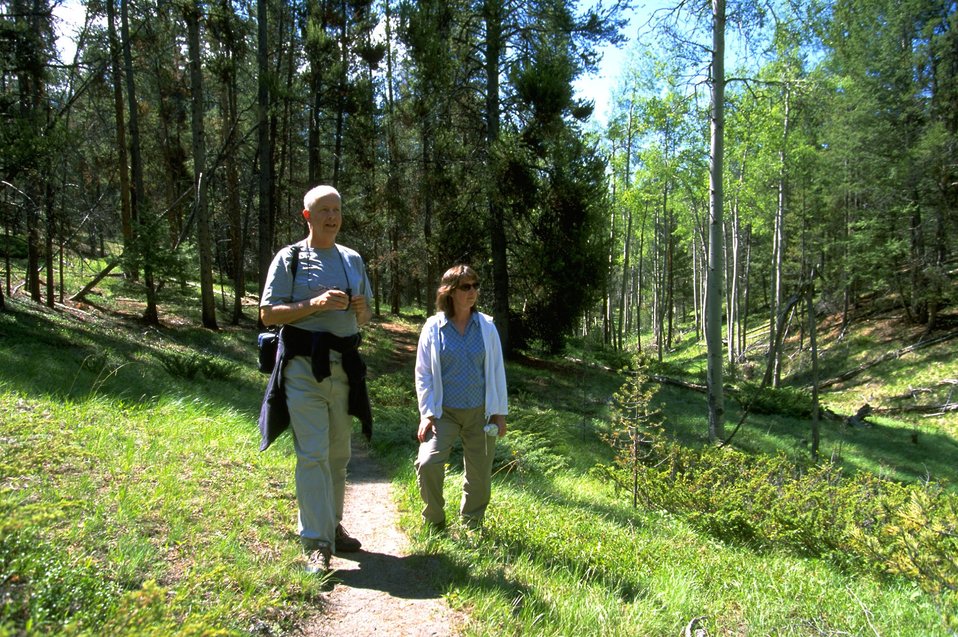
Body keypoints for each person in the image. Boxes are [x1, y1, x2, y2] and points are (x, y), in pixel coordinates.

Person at [260, 185, 373, 573]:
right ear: (307, 216)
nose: (332, 216)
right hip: (302, 368)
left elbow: (366, 318)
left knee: (338, 455)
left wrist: (361, 308)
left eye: (337, 209)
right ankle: (315, 541)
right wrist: (315, 303)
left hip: (344, 369)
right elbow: (268, 314)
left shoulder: (352, 259)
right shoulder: (290, 258)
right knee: (312, 454)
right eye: (323, 210)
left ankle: (332, 525)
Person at [414, 265, 508, 531]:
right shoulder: (434, 328)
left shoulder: (486, 327)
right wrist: (427, 414)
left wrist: (499, 413)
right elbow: (423, 374)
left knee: (479, 476)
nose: (473, 292)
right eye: (466, 287)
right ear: (450, 291)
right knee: (428, 462)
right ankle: (434, 519)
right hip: (444, 414)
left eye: (476, 286)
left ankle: (472, 524)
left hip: (481, 413)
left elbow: (497, 371)